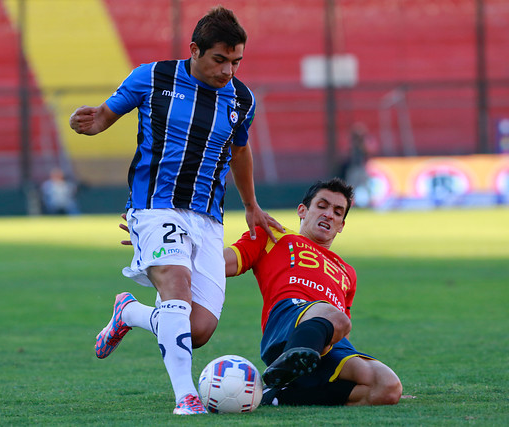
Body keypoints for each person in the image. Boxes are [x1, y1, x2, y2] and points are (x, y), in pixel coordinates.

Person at [69, 6, 282, 415]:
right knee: (176, 286)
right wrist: (95, 122)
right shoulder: (152, 77)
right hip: (154, 207)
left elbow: (239, 149)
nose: (228, 71)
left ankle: (129, 312)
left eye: (236, 61)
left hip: (207, 218)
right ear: (194, 50)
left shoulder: (242, 98)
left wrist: (251, 205)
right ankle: (186, 398)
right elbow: (105, 115)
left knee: (197, 328)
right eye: (220, 60)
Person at [224, 177, 402, 406]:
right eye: (322, 206)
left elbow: (342, 332)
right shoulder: (273, 235)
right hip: (288, 319)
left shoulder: (347, 272)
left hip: (328, 338)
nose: (329, 214)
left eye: (338, 212)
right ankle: (291, 358)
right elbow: (220, 264)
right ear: (302, 210)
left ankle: (277, 395)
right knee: (334, 316)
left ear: (341, 226)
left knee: (387, 387)